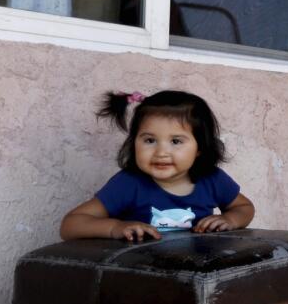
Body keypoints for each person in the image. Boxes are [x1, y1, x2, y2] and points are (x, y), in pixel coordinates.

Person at [60, 90, 255, 241]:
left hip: (197, 276)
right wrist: (115, 228)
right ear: (134, 142)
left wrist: (230, 220)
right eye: (150, 140)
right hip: (142, 275)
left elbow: (244, 207)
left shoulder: (212, 179)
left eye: (176, 141)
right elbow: (70, 225)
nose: (161, 152)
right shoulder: (128, 184)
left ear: (200, 148)